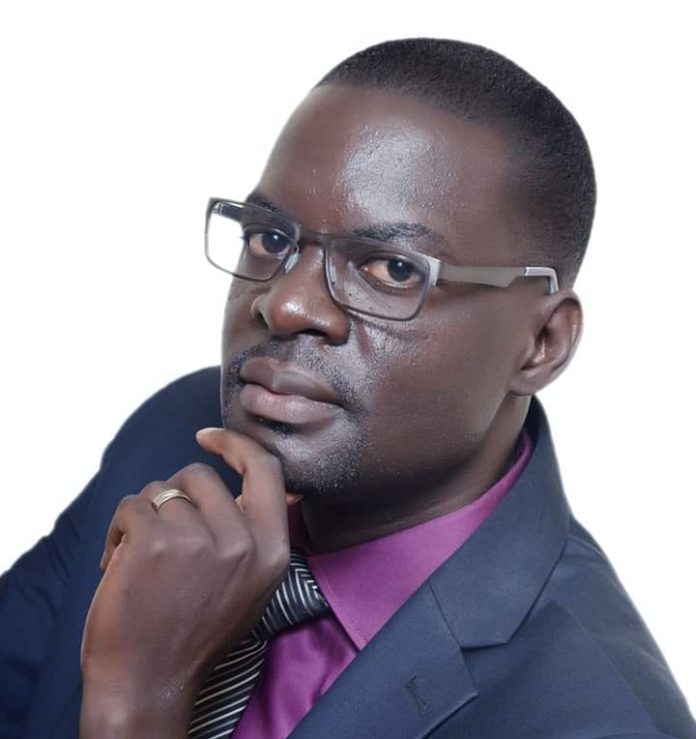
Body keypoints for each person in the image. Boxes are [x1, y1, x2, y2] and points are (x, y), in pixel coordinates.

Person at [1, 36, 694, 739]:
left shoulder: (599, 720)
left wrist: (139, 703)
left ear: (541, 344)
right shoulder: (174, 434)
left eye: (392, 269)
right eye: (271, 238)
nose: (286, 303)